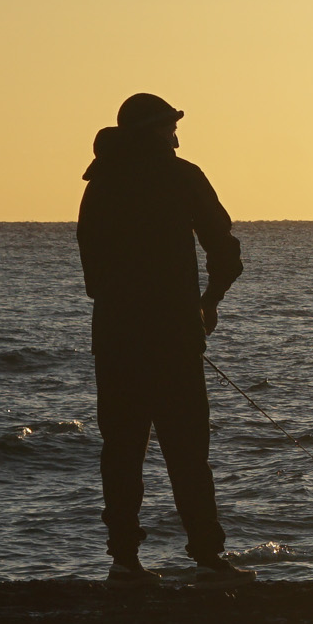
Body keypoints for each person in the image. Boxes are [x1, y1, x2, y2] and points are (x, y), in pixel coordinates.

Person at [77, 93, 256, 586]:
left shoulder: (101, 184)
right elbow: (224, 249)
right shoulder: (182, 176)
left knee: (121, 450)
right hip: (173, 337)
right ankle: (208, 558)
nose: (177, 136)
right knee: (187, 449)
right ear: (156, 131)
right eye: (170, 126)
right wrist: (208, 302)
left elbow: (92, 272)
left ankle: (124, 563)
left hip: (113, 337)